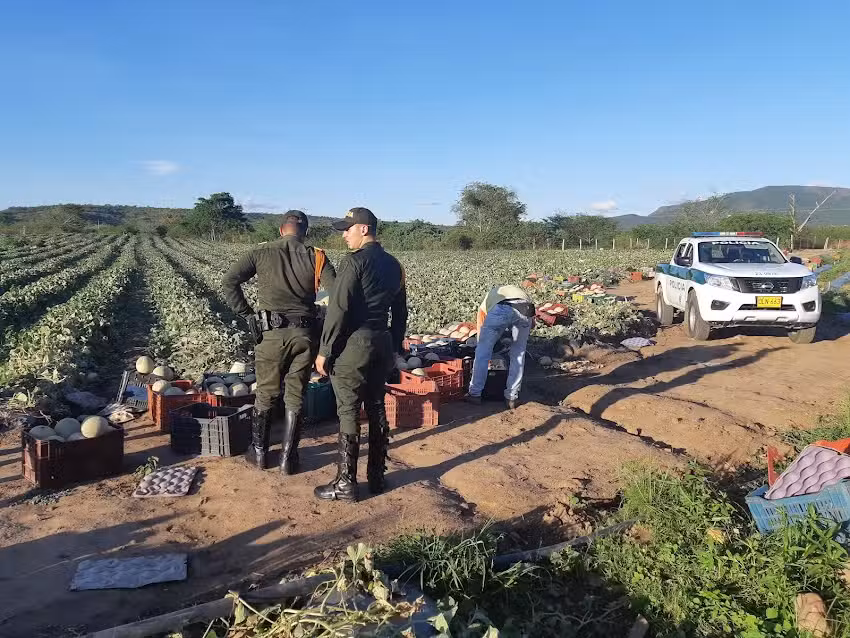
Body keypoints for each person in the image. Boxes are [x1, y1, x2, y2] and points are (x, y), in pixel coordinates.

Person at [222, 210, 336, 474]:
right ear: (305, 231)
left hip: (271, 336)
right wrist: (322, 318)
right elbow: (336, 293)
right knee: (296, 395)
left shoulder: (260, 252)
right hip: (305, 337)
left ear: (280, 229)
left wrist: (247, 314)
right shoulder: (316, 255)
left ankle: (260, 453)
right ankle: (289, 457)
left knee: (266, 393)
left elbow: (229, 281)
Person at [314, 207, 408, 502]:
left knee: (349, 410)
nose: (344, 235)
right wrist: (394, 347)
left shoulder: (354, 262)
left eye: (347, 229)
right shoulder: (395, 266)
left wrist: (325, 350)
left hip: (356, 343)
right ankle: (377, 477)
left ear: (364, 229)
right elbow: (400, 312)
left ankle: (345, 483)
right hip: (382, 341)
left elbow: (338, 308)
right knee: (377, 404)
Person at [466, 285, 535, 409]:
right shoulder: (520, 293)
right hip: (526, 309)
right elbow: (532, 322)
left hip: (502, 309)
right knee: (518, 354)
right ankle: (512, 397)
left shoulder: (488, 299)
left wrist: (483, 341)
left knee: (483, 351)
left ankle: (475, 394)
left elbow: (481, 323)